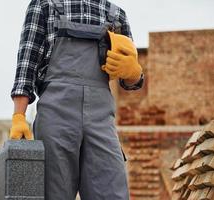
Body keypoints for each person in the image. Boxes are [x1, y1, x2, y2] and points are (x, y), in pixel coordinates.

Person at [10, 0, 144, 199]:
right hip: (56, 117)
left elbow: (131, 81)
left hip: (101, 119)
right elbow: (26, 65)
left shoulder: (116, 15)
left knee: (111, 192)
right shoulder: (44, 5)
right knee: (53, 193)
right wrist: (18, 116)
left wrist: (134, 72)